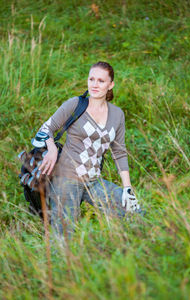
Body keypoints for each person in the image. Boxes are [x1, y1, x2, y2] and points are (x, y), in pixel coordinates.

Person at [37, 61, 142, 239]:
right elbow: (46, 128)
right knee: (63, 240)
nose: (95, 84)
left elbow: (119, 152)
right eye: (91, 79)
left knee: (135, 213)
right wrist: (52, 147)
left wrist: (128, 188)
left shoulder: (117, 115)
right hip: (66, 180)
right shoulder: (76, 104)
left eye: (101, 81)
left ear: (111, 85)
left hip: (93, 181)